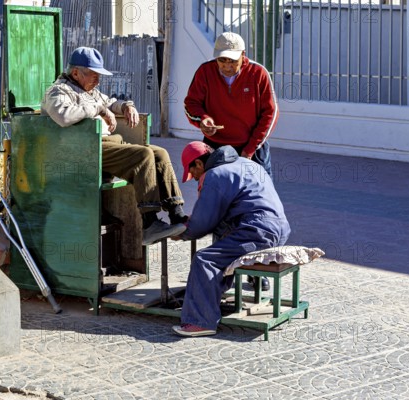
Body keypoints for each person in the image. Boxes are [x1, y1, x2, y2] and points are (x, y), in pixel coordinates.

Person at [42, 46, 186, 245]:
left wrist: (127, 106)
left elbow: (110, 103)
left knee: (159, 153)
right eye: (93, 75)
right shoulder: (58, 91)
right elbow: (63, 116)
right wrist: (98, 108)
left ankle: (176, 213)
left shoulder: (89, 90)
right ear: (75, 73)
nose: (97, 80)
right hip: (84, 149)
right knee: (143, 155)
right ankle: (149, 223)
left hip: (105, 144)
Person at [171, 141, 290, 337]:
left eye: (194, 174)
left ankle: (200, 322)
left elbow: (203, 223)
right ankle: (211, 297)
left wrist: (182, 232)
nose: (195, 180)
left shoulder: (215, 175)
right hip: (279, 228)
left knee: (205, 259)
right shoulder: (248, 164)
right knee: (221, 242)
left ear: (199, 165)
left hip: (256, 231)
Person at [184, 31, 278, 178]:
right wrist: (202, 119)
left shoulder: (258, 73)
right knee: (215, 195)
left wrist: (250, 149)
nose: (227, 67)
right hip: (215, 146)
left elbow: (270, 114)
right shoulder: (205, 71)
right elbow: (191, 103)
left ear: (243, 54)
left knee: (260, 196)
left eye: (233, 61)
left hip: (252, 147)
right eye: (222, 60)